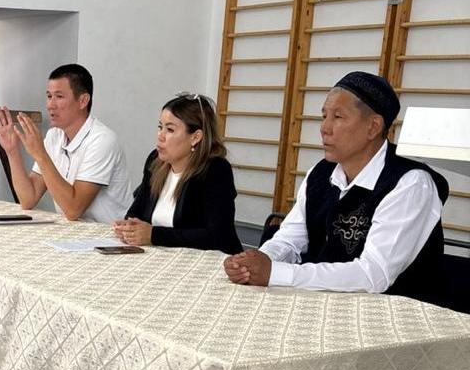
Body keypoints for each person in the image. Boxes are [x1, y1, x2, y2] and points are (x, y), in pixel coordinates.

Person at [223, 71, 449, 302]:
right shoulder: (321, 173)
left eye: (338, 117)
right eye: (324, 116)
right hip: (323, 303)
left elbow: (373, 275)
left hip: (394, 313)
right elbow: (290, 239)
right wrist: (255, 262)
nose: (325, 128)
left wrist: (276, 273)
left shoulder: (411, 183)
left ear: (373, 127)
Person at [0, 64, 130, 223]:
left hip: (108, 234)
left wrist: (40, 154)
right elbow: (28, 199)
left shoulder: (102, 140)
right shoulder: (54, 135)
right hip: (73, 231)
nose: (50, 105)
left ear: (83, 101)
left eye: (59, 97)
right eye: (49, 96)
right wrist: (12, 151)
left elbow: (73, 210)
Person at [112, 93, 242, 254]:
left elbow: (218, 236)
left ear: (195, 137)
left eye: (170, 130)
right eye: (160, 127)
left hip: (208, 261)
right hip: (160, 257)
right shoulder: (155, 161)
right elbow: (135, 213)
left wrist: (154, 235)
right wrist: (129, 228)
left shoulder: (215, 170)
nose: (160, 136)